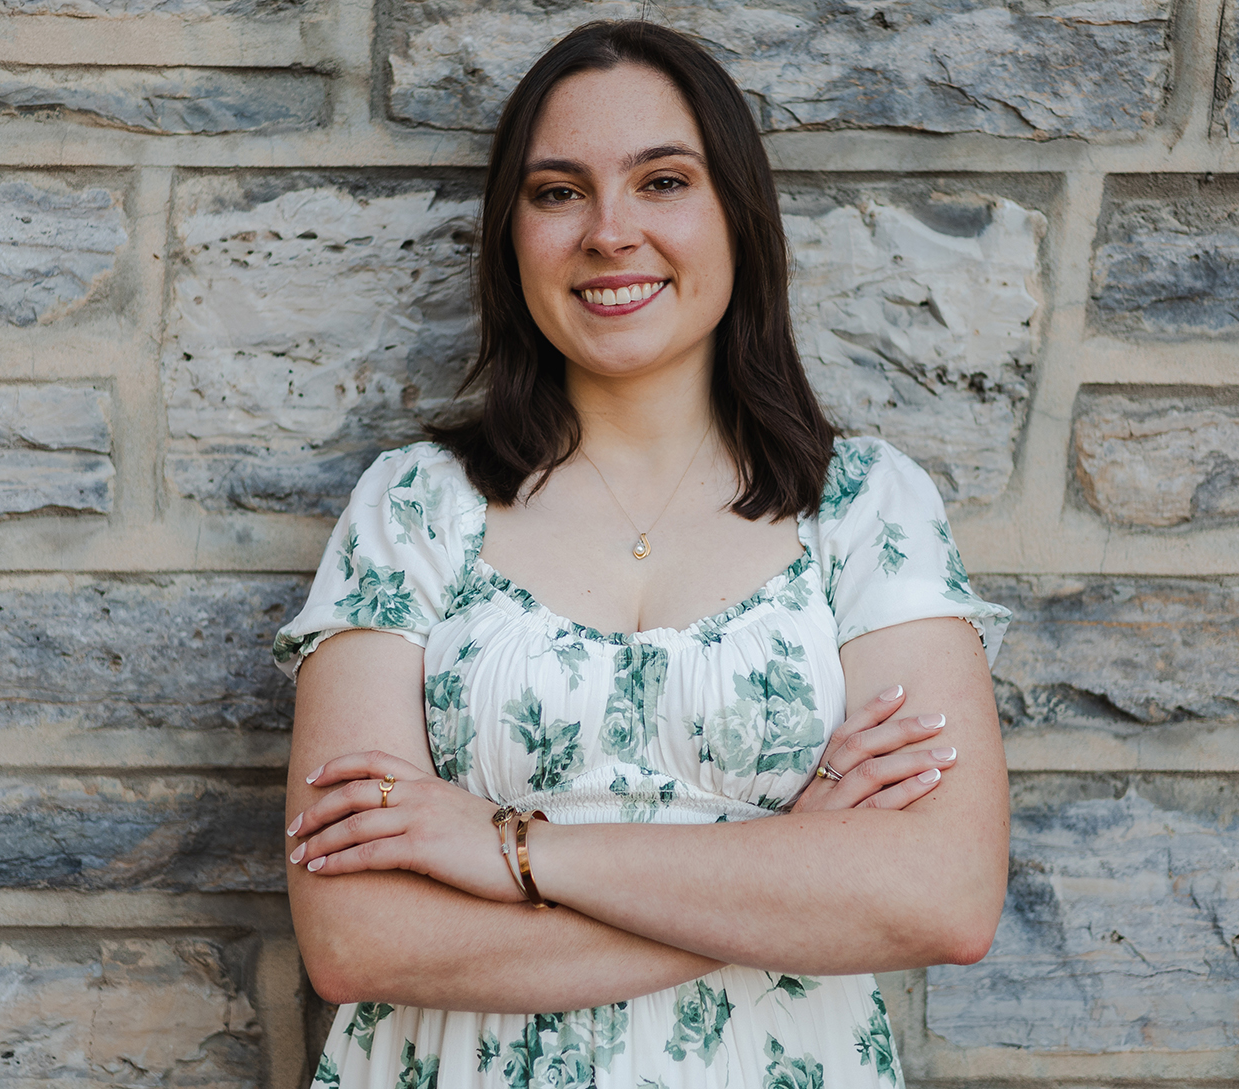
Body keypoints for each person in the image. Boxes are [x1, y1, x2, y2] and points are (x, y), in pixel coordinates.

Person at [274, 20, 1011, 1089]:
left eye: (661, 181)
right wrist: (788, 877)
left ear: (735, 216)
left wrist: (513, 851)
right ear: (510, 233)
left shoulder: (861, 508)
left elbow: (940, 900)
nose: (608, 232)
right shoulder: (414, 510)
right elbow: (357, 942)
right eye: (556, 191)